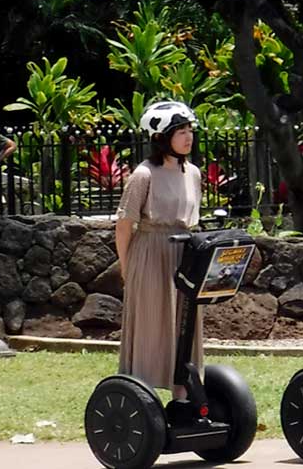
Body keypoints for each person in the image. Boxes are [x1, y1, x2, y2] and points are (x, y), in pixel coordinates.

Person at [115, 100, 204, 421]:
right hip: (151, 252)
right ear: (161, 137)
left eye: (190, 130)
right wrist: (127, 267)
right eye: (180, 131)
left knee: (185, 323)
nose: (188, 137)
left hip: (184, 251)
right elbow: (124, 224)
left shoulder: (193, 173)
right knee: (151, 321)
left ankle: (183, 395)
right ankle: (142, 394)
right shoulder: (143, 174)